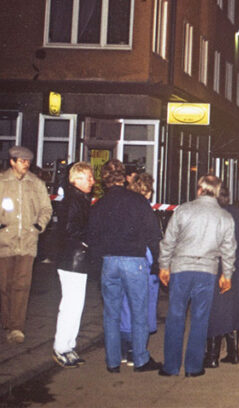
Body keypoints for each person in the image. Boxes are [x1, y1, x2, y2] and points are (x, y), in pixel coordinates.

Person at [87, 159, 162, 373]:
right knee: (139, 312)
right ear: (124, 176)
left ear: (104, 180)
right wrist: (156, 262)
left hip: (109, 262)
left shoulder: (99, 205)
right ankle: (140, 359)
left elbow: (92, 237)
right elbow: (152, 234)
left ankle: (112, 362)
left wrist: (97, 263)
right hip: (134, 261)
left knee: (111, 313)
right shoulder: (138, 201)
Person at [158, 175, 235, 378]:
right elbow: (229, 250)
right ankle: (193, 367)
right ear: (217, 192)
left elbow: (168, 241)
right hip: (207, 272)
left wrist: (164, 266)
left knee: (175, 317)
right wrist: (227, 274)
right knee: (200, 319)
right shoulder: (225, 217)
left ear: (199, 189)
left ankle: (171, 367)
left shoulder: (183, 210)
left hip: (181, 269)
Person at [0, 146, 52, 344]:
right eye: (22, 161)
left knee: (22, 285)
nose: (26, 164)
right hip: (5, 243)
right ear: (12, 162)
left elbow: (46, 208)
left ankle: (16, 327)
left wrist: (39, 225)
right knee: (6, 285)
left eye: (28, 161)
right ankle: (7, 321)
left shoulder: (36, 184)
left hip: (28, 242)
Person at [51, 162, 95, 368]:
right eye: (88, 178)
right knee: (70, 305)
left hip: (77, 258)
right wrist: (89, 241)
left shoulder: (80, 199)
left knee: (76, 305)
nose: (92, 182)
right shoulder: (73, 200)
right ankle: (61, 347)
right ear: (75, 179)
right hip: (72, 259)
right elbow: (70, 229)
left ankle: (69, 345)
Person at [205, 186, 239, 367]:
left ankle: (212, 355)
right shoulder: (236, 213)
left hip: (216, 265)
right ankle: (233, 352)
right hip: (237, 265)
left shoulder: (212, 214)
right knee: (234, 308)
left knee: (215, 309)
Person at [118, 172, 160, 365]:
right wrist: (159, 263)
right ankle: (138, 353)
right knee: (143, 306)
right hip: (142, 260)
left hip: (122, 259)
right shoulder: (145, 209)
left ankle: (124, 351)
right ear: (148, 191)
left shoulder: (122, 206)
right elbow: (153, 238)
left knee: (125, 305)